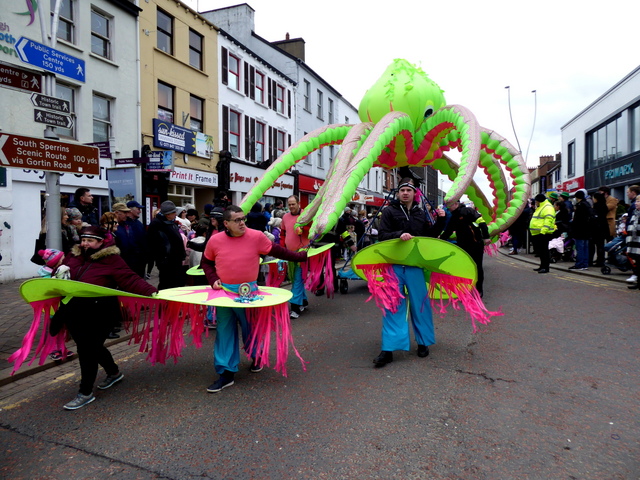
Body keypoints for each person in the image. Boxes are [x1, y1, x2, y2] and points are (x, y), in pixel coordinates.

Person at [200, 205, 307, 392]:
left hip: (249, 294)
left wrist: (300, 256)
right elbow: (206, 262)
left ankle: (256, 357)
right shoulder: (215, 240)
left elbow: (278, 251)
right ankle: (226, 373)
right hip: (224, 294)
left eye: (243, 219)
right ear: (226, 223)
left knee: (251, 329)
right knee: (224, 332)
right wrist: (212, 279)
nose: (242, 223)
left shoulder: (256, 236)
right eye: (237, 220)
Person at [52, 225, 157, 410]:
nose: (85, 244)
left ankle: (85, 392)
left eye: (90, 241)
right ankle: (114, 373)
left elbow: (130, 279)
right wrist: (57, 273)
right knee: (92, 347)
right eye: (83, 240)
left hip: (100, 313)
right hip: (74, 311)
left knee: (87, 350)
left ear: (101, 242)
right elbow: (62, 277)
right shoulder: (73, 256)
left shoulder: (112, 259)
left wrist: (152, 293)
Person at [372, 178, 445, 368]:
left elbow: (430, 237)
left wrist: (442, 219)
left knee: (420, 305)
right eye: (402, 190)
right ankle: (388, 350)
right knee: (392, 306)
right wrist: (398, 235)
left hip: (414, 266)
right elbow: (381, 236)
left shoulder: (420, 213)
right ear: (398, 193)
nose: (405, 193)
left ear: (415, 194)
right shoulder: (389, 211)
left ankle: (423, 343)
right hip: (394, 266)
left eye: (408, 190)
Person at [441, 200, 490, 296]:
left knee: (477, 266)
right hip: (463, 245)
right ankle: (466, 288)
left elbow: (482, 222)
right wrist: (440, 239)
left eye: (449, 206)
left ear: (456, 204)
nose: (447, 208)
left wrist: (486, 236)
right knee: (465, 267)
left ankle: (479, 289)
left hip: (476, 244)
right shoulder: (453, 216)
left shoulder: (468, 211)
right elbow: (448, 231)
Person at [280, 195, 311, 318]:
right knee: (295, 278)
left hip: (302, 252)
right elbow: (282, 234)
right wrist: (282, 248)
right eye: (289, 204)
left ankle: (295, 307)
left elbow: (314, 231)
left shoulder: (306, 215)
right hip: (290, 253)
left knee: (297, 278)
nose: (291, 207)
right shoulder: (285, 217)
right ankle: (303, 301)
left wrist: (304, 229)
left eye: (293, 204)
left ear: (299, 204)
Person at [146, 200, 187, 290]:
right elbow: (153, 243)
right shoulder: (157, 224)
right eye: (174, 212)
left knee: (177, 283)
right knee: (167, 284)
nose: (176, 214)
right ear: (168, 214)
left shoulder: (171, 222)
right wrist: (162, 258)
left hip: (176, 259)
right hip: (167, 261)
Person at [529, 193, 556, 274]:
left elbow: (548, 220)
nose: (535, 203)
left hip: (543, 233)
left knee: (544, 251)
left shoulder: (547, 207)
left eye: (536, 201)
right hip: (538, 233)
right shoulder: (542, 207)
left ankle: (545, 267)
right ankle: (542, 266)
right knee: (541, 251)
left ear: (539, 201)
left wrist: (543, 232)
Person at [568, 189, 593, 271]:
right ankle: (585, 264)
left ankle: (579, 264)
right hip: (587, 229)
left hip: (580, 230)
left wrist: (573, 226)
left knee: (580, 248)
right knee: (586, 247)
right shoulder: (587, 204)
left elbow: (577, 219)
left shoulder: (580, 206)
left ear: (577, 197)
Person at [591, 192, 610, 267]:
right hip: (604, 226)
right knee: (601, 245)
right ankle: (601, 260)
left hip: (597, 228)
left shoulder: (596, 206)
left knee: (596, 245)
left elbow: (594, 217)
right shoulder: (604, 205)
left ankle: (599, 261)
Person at [625, 196, 640, 289]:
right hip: (634, 241)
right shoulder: (635, 213)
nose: (636, 203)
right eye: (636, 201)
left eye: (638, 201)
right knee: (637, 262)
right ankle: (639, 282)